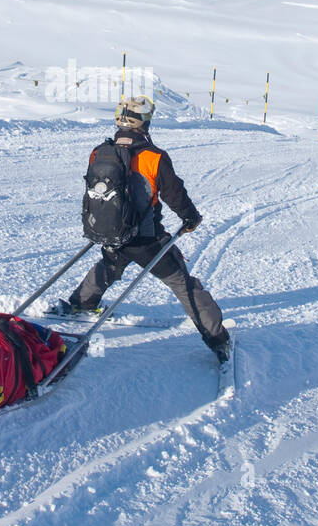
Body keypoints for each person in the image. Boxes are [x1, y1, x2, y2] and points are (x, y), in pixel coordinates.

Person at [55, 95, 231, 363]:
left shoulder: (99, 152)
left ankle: (82, 303)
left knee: (110, 263)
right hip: (146, 239)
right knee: (181, 282)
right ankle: (218, 338)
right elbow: (175, 194)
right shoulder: (154, 156)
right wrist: (190, 218)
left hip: (111, 231)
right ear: (145, 123)